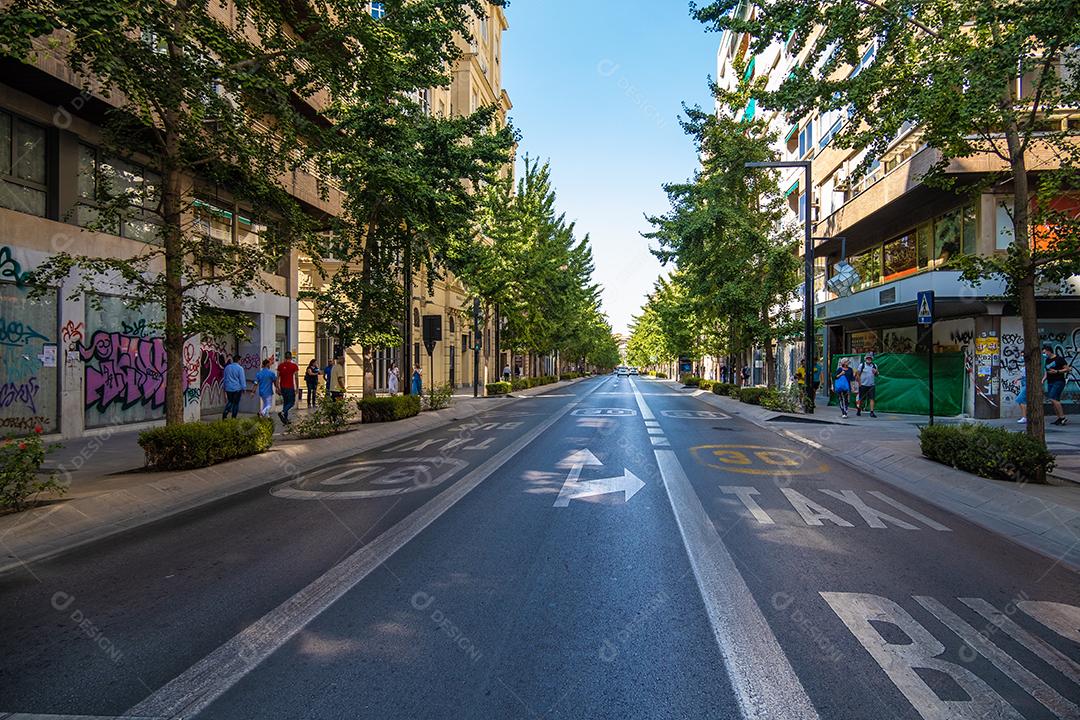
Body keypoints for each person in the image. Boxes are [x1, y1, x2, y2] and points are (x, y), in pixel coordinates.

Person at [1043, 345, 1071, 425]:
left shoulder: (1059, 359)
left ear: (1049, 351)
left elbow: (1067, 369)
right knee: (1055, 400)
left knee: (1052, 398)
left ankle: (1062, 417)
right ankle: (1059, 418)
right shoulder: (1047, 360)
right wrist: (1043, 379)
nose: (1044, 354)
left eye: (1044, 352)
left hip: (1058, 381)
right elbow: (1046, 370)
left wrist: (1057, 371)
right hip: (1050, 382)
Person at [222, 354, 247, 419]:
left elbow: (225, 378)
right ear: (238, 360)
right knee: (236, 403)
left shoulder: (227, 367)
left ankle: (225, 413)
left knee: (230, 401)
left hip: (228, 388)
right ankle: (233, 417)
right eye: (240, 360)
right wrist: (244, 388)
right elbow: (242, 379)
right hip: (237, 388)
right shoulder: (240, 368)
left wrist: (224, 387)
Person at [276, 351, 299, 424]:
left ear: (285, 357)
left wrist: (277, 388)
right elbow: (296, 377)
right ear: (291, 357)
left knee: (285, 403)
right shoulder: (294, 366)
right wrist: (297, 388)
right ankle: (283, 412)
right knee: (291, 403)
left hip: (283, 387)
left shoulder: (280, 366)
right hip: (290, 387)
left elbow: (277, 378)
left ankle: (285, 419)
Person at [855, 352, 879, 418]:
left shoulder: (874, 366)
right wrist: (859, 383)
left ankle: (872, 412)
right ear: (865, 359)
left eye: (870, 358)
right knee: (861, 399)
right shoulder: (862, 365)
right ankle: (859, 410)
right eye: (868, 358)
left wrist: (876, 372)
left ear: (872, 359)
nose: (869, 359)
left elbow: (877, 374)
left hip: (871, 385)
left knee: (872, 398)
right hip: (863, 385)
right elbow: (858, 374)